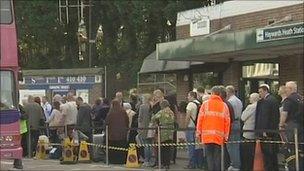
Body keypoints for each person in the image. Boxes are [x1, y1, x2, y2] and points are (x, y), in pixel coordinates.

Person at [196, 86, 231, 171]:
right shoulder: (224, 106)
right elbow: (227, 122)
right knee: (217, 157)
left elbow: (200, 119)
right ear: (219, 94)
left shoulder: (205, 104)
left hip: (207, 136)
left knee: (209, 156)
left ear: (212, 93)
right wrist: (226, 136)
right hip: (219, 136)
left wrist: (198, 133)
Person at [255, 84, 280, 171]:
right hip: (273, 131)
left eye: (261, 92)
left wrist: (263, 131)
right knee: (273, 155)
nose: (260, 94)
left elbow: (264, 117)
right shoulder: (273, 100)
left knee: (267, 154)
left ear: (266, 91)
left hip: (267, 132)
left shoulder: (267, 101)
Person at [280, 81, 304, 170]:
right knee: (301, 148)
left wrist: (281, 125)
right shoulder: (301, 98)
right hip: (301, 127)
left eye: (286, 88)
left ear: (290, 89)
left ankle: (293, 167)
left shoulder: (288, 100)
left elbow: (284, 114)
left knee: (291, 149)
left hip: (292, 127)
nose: (285, 90)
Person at [151, 100, 175, 169]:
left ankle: (160, 163)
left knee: (161, 149)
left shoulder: (161, 112)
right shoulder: (171, 112)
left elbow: (153, 118)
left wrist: (156, 122)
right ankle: (167, 164)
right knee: (168, 148)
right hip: (170, 132)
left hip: (162, 132)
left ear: (162, 105)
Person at [105, 100, 129, 164]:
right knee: (121, 148)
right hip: (122, 133)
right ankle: (122, 160)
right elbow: (127, 120)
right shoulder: (123, 111)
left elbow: (107, 122)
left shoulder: (111, 112)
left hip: (112, 134)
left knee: (113, 148)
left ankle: (113, 160)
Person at [240, 93, 259, 171]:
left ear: (254, 99)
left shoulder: (251, 107)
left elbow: (243, 117)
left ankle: (247, 167)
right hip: (256, 131)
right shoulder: (260, 106)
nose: (249, 99)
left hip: (248, 131)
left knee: (247, 152)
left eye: (250, 98)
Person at [226, 85, 243, 171]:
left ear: (228, 92)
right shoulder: (239, 101)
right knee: (236, 144)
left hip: (232, 123)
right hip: (238, 122)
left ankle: (235, 164)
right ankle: (236, 163)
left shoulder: (230, 101)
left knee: (231, 145)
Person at [184, 91, 200, 169]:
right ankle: (197, 162)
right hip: (196, 126)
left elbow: (188, 116)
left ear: (192, 96)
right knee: (195, 145)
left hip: (190, 126)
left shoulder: (190, 104)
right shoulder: (199, 103)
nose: (187, 97)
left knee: (190, 145)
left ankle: (191, 163)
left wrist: (185, 126)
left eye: (188, 96)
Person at [138, 94, 153, 167]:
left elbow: (140, 118)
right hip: (151, 127)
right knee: (150, 144)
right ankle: (150, 160)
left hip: (144, 127)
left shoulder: (142, 106)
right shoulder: (152, 106)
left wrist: (139, 127)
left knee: (146, 144)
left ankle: (146, 160)